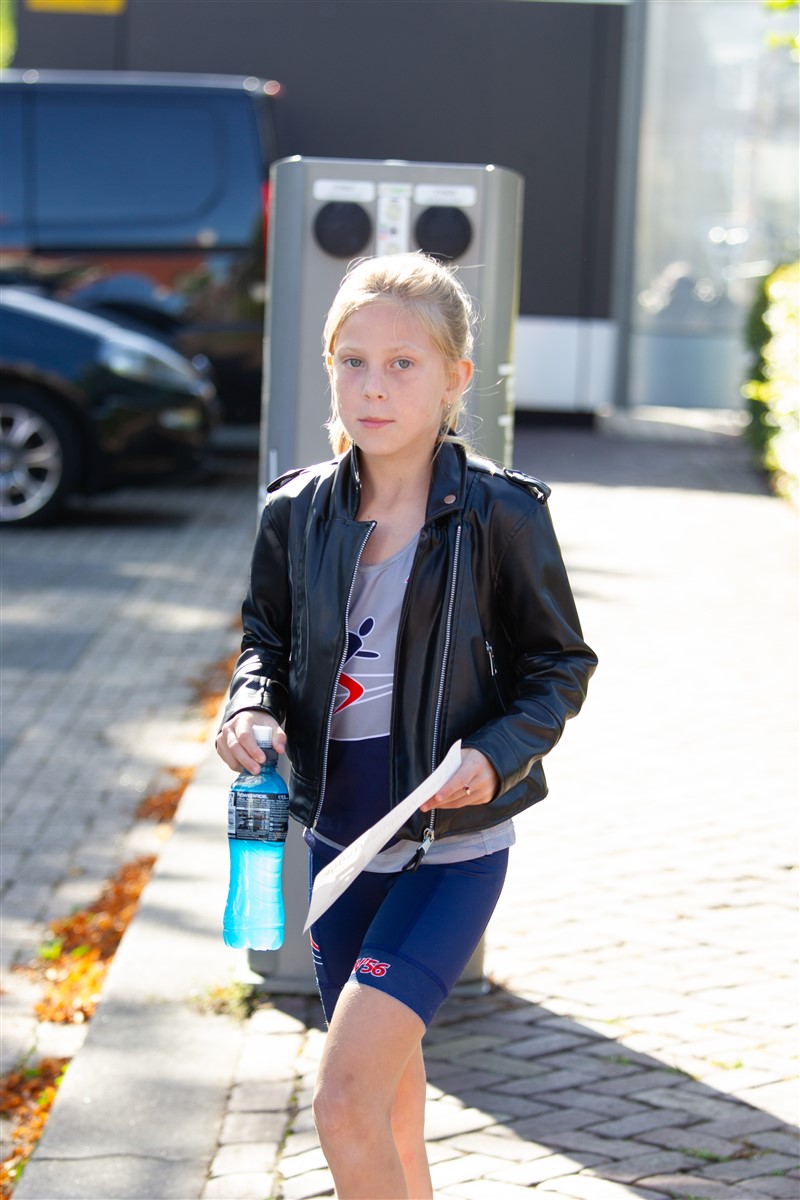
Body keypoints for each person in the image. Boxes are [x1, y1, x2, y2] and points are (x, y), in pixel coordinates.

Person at [216, 252, 597, 1199]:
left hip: (447, 854)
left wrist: (496, 756)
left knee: (342, 1103)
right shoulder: (294, 511)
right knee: (387, 1103)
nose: (373, 387)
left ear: (456, 378)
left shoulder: (501, 515)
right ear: (329, 368)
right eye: (352, 362)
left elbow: (560, 666)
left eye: (402, 364)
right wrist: (250, 703)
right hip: (338, 849)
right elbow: (266, 640)